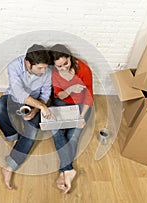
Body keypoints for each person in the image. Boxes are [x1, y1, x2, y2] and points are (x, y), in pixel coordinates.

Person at [0, 44, 53, 190]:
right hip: (14, 97)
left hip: (36, 103)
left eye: (45, 68)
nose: (44, 71)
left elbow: (45, 95)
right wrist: (42, 107)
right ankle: (13, 137)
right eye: (40, 68)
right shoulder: (14, 66)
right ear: (28, 63)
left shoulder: (47, 72)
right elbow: (18, 93)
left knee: (32, 132)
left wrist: (37, 110)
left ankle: (9, 166)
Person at [49, 44, 94, 194]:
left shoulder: (84, 69)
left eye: (66, 63)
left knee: (72, 137)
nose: (64, 69)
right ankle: (69, 170)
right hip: (63, 103)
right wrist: (70, 89)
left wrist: (81, 117)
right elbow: (58, 95)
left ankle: (65, 171)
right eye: (59, 66)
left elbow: (89, 95)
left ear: (70, 58)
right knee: (55, 130)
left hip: (82, 106)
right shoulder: (55, 73)